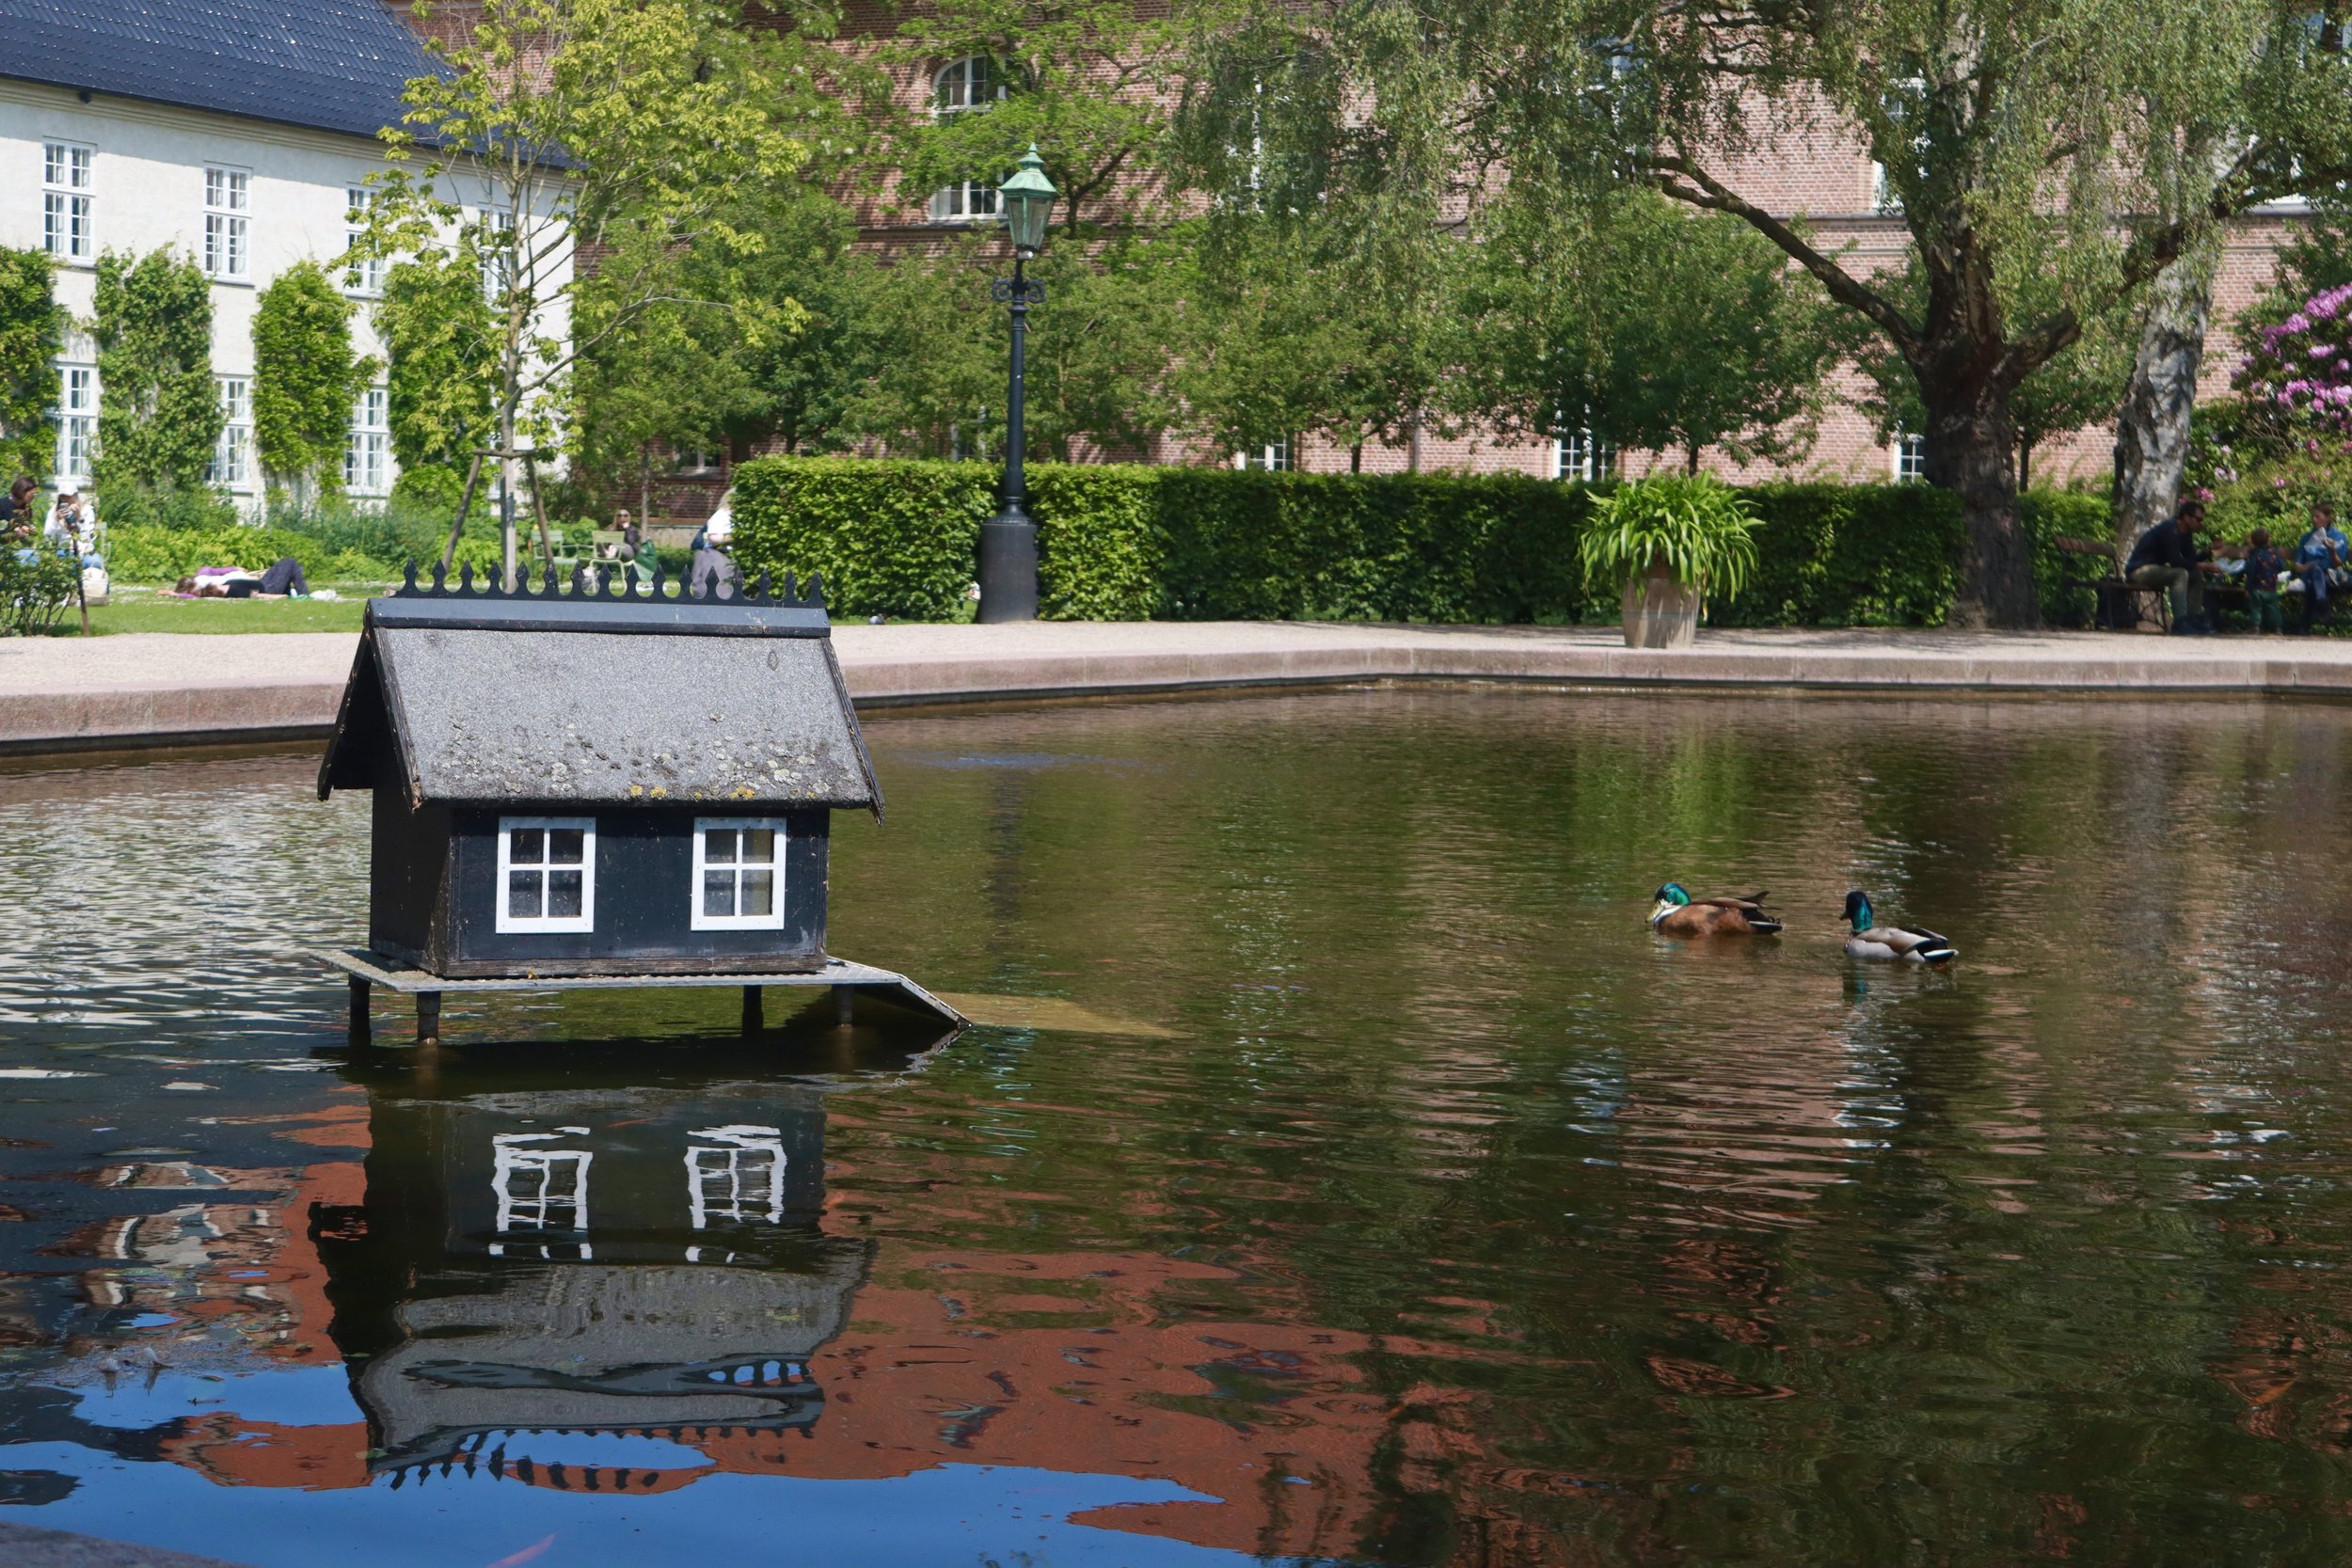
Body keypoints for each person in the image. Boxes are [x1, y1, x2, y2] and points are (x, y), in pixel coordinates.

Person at [2125, 498, 2214, 634]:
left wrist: (2207, 552)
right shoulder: (2170, 529)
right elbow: (2176, 561)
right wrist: (2203, 565)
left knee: (2195, 574)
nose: (2200, 523)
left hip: (2156, 570)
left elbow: (2190, 559)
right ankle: (2180, 623)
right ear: (2186, 517)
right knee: (2180, 573)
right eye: (2198, 519)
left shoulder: (2185, 533)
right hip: (2139, 570)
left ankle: (2192, 619)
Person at [2296, 502, 2350, 631]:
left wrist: (2331, 550)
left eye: (2317, 516)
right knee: (2314, 572)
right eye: (2313, 516)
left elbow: (2338, 564)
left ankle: (2304, 627)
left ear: (2328, 518)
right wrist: (2305, 567)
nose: (2314, 519)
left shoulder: (2338, 537)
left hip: (2331, 576)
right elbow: (2297, 565)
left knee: (2314, 581)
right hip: (2310, 574)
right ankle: (2322, 603)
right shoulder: (2306, 538)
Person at [2243, 527, 2289, 635]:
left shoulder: (2254, 554)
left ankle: (2255, 626)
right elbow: (2281, 566)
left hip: (2256, 587)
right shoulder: (2274, 553)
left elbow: (2250, 570)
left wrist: (2247, 586)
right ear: (2268, 539)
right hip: (2271, 587)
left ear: (2253, 541)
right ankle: (2278, 628)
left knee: (2256, 607)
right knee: (2273, 607)